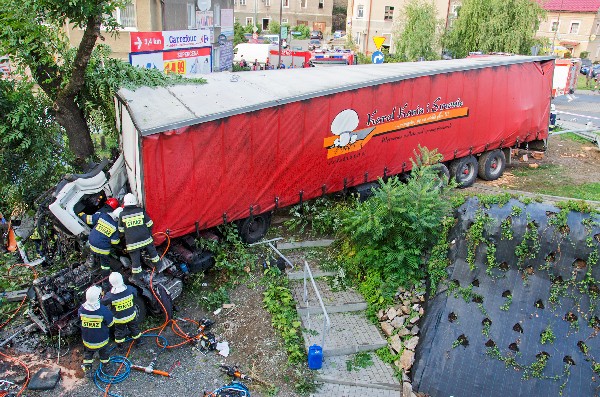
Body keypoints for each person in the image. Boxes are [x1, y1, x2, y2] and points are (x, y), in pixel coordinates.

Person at [118, 193, 165, 284]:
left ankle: (137, 277)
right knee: (153, 255)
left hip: (132, 243)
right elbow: (150, 224)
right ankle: (159, 268)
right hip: (146, 239)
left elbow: (121, 230)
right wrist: (148, 233)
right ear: (135, 203)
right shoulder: (140, 211)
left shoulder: (122, 215)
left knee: (136, 261)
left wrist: (129, 233)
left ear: (125, 203)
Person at [79, 207, 123, 291]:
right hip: (102, 248)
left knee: (94, 250)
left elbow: (88, 219)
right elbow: (115, 242)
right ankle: (105, 282)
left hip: (91, 241)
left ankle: (92, 261)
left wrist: (82, 215)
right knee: (105, 265)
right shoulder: (115, 226)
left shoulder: (102, 216)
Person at [79, 285, 114, 379]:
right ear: (99, 297)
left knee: (88, 356)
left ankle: (88, 371)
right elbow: (110, 324)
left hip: (88, 342)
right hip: (102, 342)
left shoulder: (82, 309)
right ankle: (107, 368)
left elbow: (79, 320)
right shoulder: (103, 310)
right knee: (104, 355)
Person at [103, 272, 144, 348]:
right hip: (131, 316)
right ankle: (139, 342)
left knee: (119, 332)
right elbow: (135, 292)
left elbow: (103, 302)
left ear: (111, 283)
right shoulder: (130, 289)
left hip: (119, 320)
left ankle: (120, 347)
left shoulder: (110, 296)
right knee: (134, 329)